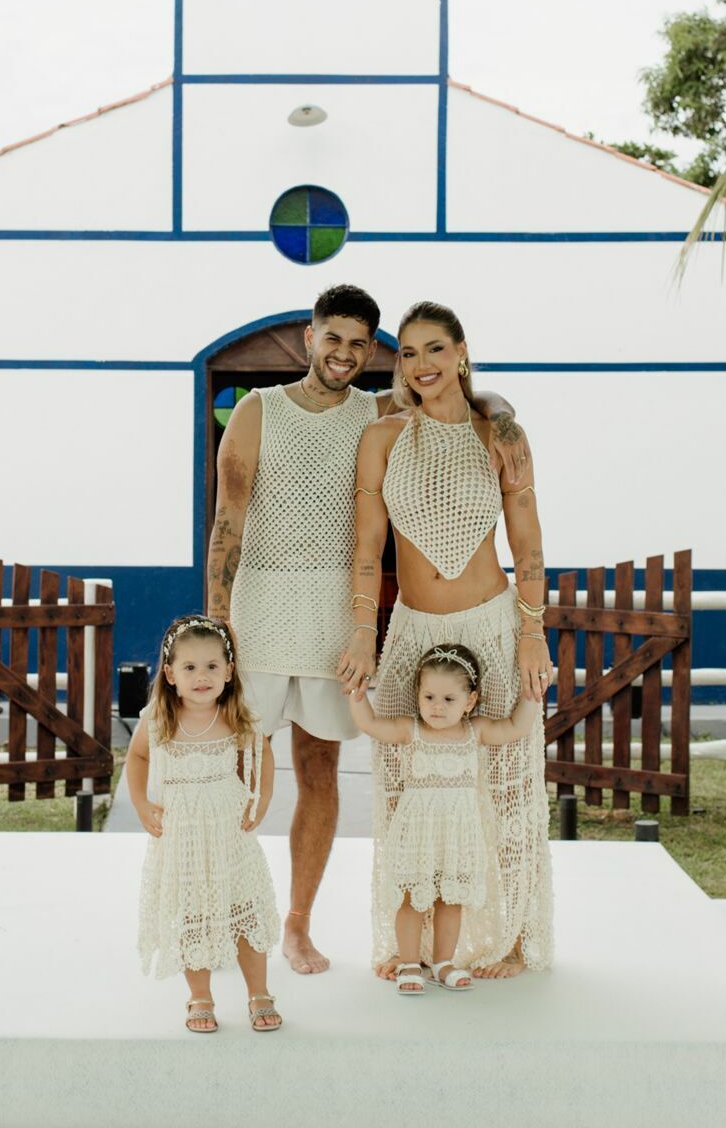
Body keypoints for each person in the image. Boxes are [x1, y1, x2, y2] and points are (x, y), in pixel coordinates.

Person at [206, 283, 529, 975]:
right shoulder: (257, 411)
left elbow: (461, 401)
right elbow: (227, 521)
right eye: (333, 339)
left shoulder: (380, 413)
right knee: (236, 771)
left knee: (319, 770)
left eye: (359, 343)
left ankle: (295, 925)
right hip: (258, 611)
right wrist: (216, 627)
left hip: (334, 620)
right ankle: (224, 914)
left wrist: (502, 412)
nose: (344, 354)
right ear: (308, 339)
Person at [340, 300, 554, 980]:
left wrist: (530, 635)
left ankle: (512, 938)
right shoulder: (382, 436)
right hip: (412, 634)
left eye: (433, 348)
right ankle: (415, 945)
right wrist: (361, 632)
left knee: (505, 782)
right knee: (409, 791)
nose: (420, 364)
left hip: (491, 625)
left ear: (461, 351)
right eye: (406, 352)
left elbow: (527, 541)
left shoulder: (499, 430)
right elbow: (368, 550)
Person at [349, 642, 539, 995]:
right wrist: (357, 694)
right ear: (418, 696)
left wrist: (532, 693)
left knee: (450, 899)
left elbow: (514, 728)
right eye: (429, 697)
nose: (437, 707)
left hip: (457, 832)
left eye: (449, 700)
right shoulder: (412, 730)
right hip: (418, 832)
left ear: (469, 701)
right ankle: (408, 962)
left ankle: (443, 962)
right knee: (412, 898)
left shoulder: (475, 731)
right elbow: (372, 725)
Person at [128, 614, 283, 1033]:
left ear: (229, 672)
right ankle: (200, 996)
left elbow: (263, 756)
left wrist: (262, 797)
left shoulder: (235, 716)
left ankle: (259, 992)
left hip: (227, 828)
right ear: (170, 674)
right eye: (190, 667)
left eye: (212, 667)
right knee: (193, 914)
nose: (202, 677)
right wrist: (141, 803)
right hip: (183, 834)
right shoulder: (160, 718)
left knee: (243, 907)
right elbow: (138, 758)